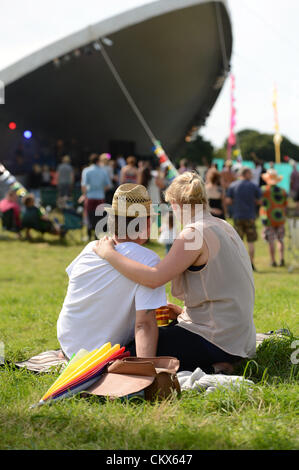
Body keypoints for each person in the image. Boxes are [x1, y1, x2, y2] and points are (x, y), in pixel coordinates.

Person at [93, 171, 256, 374]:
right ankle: (214, 363)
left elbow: (154, 278)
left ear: (176, 204)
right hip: (240, 340)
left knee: (128, 352)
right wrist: (183, 313)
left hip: (217, 342)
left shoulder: (193, 233)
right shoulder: (223, 225)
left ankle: (213, 368)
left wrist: (109, 253)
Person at [57, 184, 167, 360]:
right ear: (146, 223)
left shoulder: (91, 248)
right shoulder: (148, 260)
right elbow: (144, 325)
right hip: (99, 355)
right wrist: (147, 371)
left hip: (69, 346)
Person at [226, 167, 262, 271]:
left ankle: (239, 264)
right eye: (250, 173)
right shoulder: (253, 186)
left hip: (237, 216)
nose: (251, 176)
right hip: (250, 216)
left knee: (238, 242)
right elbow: (260, 201)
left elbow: (228, 201)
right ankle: (251, 263)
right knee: (251, 241)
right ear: (246, 174)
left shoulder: (233, 185)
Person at [79, 154, 112, 240]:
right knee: (99, 216)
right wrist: (101, 190)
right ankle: (96, 235)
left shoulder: (86, 171)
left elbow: (83, 185)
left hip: (90, 196)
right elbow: (108, 185)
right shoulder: (103, 171)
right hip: (100, 197)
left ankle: (89, 234)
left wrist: (84, 194)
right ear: (98, 161)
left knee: (89, 216)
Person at [260, 169, 288, 267]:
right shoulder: (283, 191)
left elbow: (259, 202)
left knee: (271, 241)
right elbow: (285, 205)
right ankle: (282, 259)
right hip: (280, 218)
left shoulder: (264, 190)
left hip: (268, 219)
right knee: (280, 240)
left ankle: (273, 261)